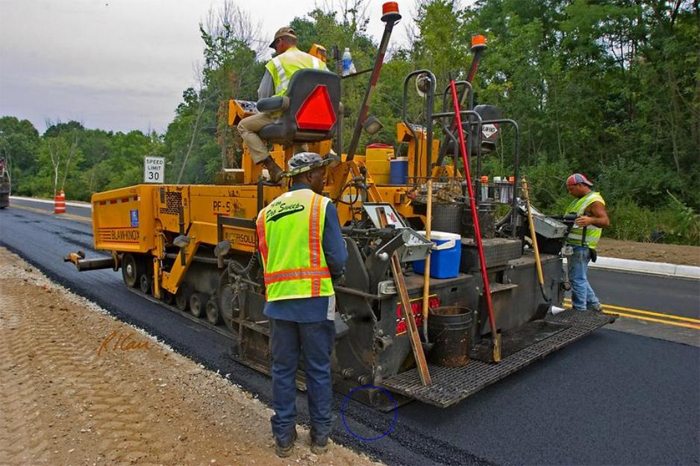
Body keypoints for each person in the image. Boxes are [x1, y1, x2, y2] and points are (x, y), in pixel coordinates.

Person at [255, 152, 348, 457]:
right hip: (314, 301)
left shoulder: (266, 213)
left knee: (282, 370)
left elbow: (265, 259)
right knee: (318, 369)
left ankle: (283, 438)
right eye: (322, 173)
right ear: (308, 176)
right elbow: (337, 258)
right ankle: (320, 438)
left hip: (279, 303)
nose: (325, 178)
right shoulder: (322, 206)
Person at [238, 27, 327, 183]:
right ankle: (303, 180)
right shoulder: (317, 62)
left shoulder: (277, 62)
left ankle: (272, 168)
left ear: (280, 42)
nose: (276, 51)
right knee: (299, 138)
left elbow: (263, 97)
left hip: (285, 118)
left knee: (244, 126)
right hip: (316, 122)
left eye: (276, 46)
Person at [564, 173, 610, 312]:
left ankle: (579, 311)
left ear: (580, 185)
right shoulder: (580, 200)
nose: (569, 192)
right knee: (579, 277)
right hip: (575, 246)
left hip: (582, 246)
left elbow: (605, 221)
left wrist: (590, 220)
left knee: (577, 279)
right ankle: (594, 305)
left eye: (571, 189)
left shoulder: (593, 201)